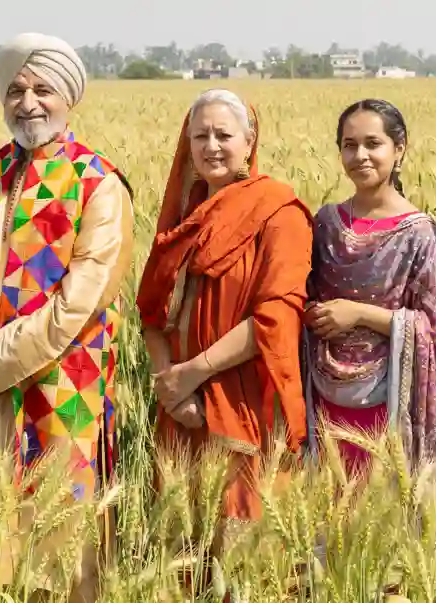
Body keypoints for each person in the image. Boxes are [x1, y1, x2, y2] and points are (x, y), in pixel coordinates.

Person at [0, 32, 133, 602]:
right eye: (16, 90)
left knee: (61, 534)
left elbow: (83, 297)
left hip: (65, 384)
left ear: (68, 97)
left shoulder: (98, 182)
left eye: (43, 89)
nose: (28, 102)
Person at [136, 89, 313, 537]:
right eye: (200, 136)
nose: (211, 146)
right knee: (179, 549)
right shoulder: (183, 219)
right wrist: (171, 388)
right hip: (179, 411)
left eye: (223, 134)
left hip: (243, 405)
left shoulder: (278, 210)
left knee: (240, 550)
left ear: (249, 142)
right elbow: (151, 313)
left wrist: (192, 373)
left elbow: (277, 317)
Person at [301, 99, 436, 477]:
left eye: (373, 144)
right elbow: (296, 293)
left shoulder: (417, 233)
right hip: (323, 395)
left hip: (390, 400)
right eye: (349, 144)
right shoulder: (325, 223)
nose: (360, 156)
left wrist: (360, 314)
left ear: (399, 147)